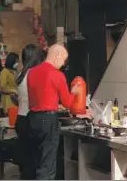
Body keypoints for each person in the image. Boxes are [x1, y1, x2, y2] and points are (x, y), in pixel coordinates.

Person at [24, 43, 81, 179]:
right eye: (63, 60)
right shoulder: (57, 74)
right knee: (47, 164)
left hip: (32, 119)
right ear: (57, 55)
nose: (63, 64)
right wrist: (73, 93)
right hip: (48, 121)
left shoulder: (31, 72)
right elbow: (67, 103)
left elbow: (38, 96)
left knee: (36, 161)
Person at [14, 44, 43, 179]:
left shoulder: (21, 75)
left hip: (20, 119)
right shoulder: (36, 75)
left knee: (25, 160)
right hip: (32, 120)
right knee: (35, 161)